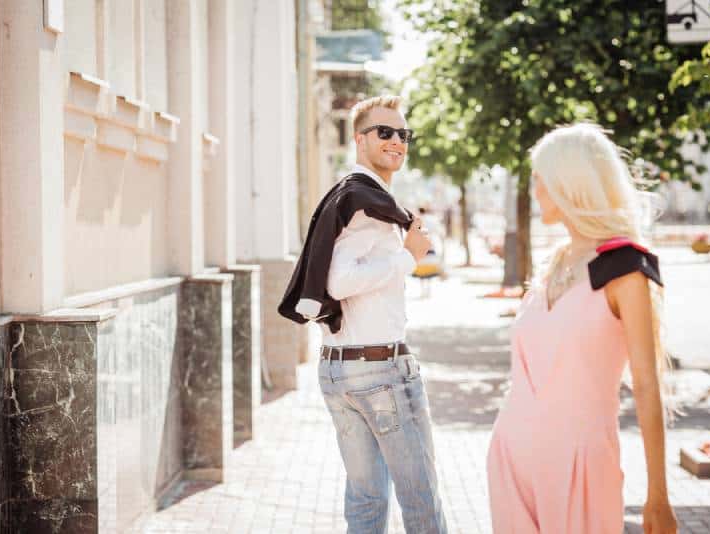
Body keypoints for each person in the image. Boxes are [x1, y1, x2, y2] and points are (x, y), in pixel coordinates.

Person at [486, 123, 677, 533]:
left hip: (581, 465)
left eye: (542, 179)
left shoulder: (626, 266)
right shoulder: (554, 262)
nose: (535, 190)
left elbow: (646, 384)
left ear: (569, 184)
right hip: (512, 458)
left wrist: (658, 494)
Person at [279, 96, 448, 534]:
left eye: (403, 134)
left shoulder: (351, 195)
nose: (397, 142)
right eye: (384, 132)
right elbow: (339, 282)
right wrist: (409, 257)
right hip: (380, 372)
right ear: (360, 139)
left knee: (367, 502)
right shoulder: (366, 202)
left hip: (341, 369)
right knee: (421, 501)